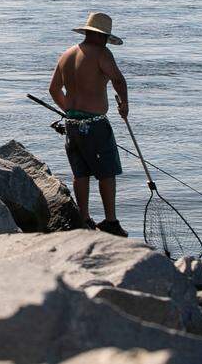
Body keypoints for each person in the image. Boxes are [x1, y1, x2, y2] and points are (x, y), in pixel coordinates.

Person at [49, 12, 129, 237]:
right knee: (107, 173)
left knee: (80, 172)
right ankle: (111, 221)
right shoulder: (102, 53)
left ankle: (83, 218)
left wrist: (69, 110)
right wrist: (124, 105)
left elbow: (54, 89)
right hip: (95, 124)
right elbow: (118, 80)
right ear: (100, 35)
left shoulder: (66, 54)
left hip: (72, 125)